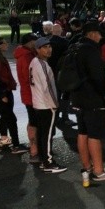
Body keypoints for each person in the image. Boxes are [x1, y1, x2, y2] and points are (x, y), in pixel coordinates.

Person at [70, 21, 105, 184]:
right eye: (99, 35)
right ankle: (99, 171)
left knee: (82, 133)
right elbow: (99, 78)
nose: (100, 38)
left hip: (78, 97)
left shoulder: (74, 47)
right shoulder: (91, 50)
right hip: (93, 100)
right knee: (94, 135)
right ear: (92, 34)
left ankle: (87, 167)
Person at [29, 38, 67, 173]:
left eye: (49, 46)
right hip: (46, 105)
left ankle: (43, 160)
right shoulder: (43, 65)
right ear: (38, 49)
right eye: (44, 47)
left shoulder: (34, 62)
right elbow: (48, 88)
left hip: (38, 103)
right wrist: (56, 104)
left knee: (43, 133)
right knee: (47, 134)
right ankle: (48, 163)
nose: (48, 49)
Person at [13, 33, 40, 162]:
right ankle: (35, 151)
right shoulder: (27, 57)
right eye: (36, 40)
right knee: (35, 121)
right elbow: (30, 78)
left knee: (33, 120)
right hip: (32, 94)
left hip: (28, 94)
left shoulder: (25, 55)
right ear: (30, 42)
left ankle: (35, 148)